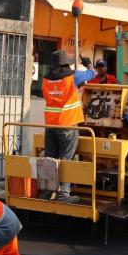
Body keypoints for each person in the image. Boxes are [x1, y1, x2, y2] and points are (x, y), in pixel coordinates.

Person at [41, 51, 94, 203]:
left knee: (49, 158)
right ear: (66, 63)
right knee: (66, 159)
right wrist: (87, 62)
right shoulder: (73, 76)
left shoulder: (45, 79)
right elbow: (92, 73)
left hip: (50, 124)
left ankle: (46, 192)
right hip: (68, 124)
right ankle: (64, 194)